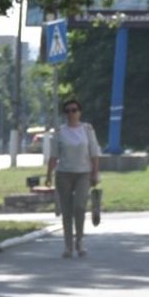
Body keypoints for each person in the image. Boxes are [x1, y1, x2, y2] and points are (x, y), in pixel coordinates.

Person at [43, 98, 101, 258]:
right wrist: (48, 175)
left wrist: (95, 173)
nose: (71, 113)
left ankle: (80, 241)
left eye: (74, 110)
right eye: (68, 111)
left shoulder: (87, 129)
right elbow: (54, 156)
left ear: (79, 112)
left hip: (83, 173)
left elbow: (94, 153)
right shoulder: (60, 132)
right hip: (64, 174)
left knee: (79, 207)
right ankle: (68, 246)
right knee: (67, 211)